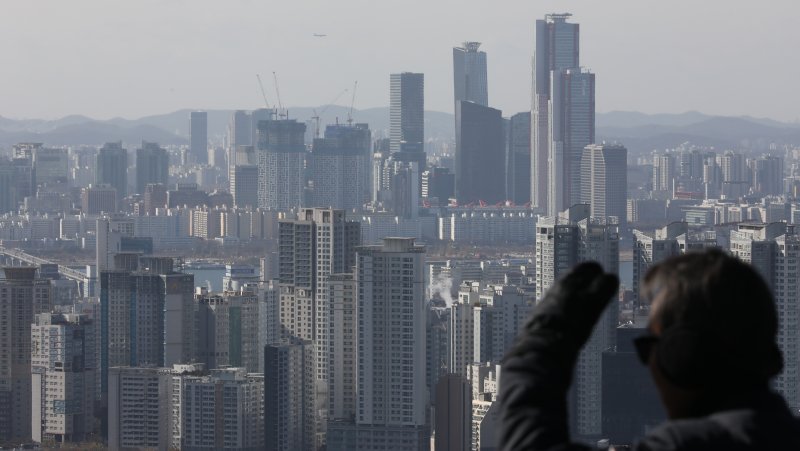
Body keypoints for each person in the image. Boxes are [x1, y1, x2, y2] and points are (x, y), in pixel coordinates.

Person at [499, 249, 800, 450]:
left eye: (649, 346)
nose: (648, 365)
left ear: (682, 354)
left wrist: (536, 348)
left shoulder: (688, 444)